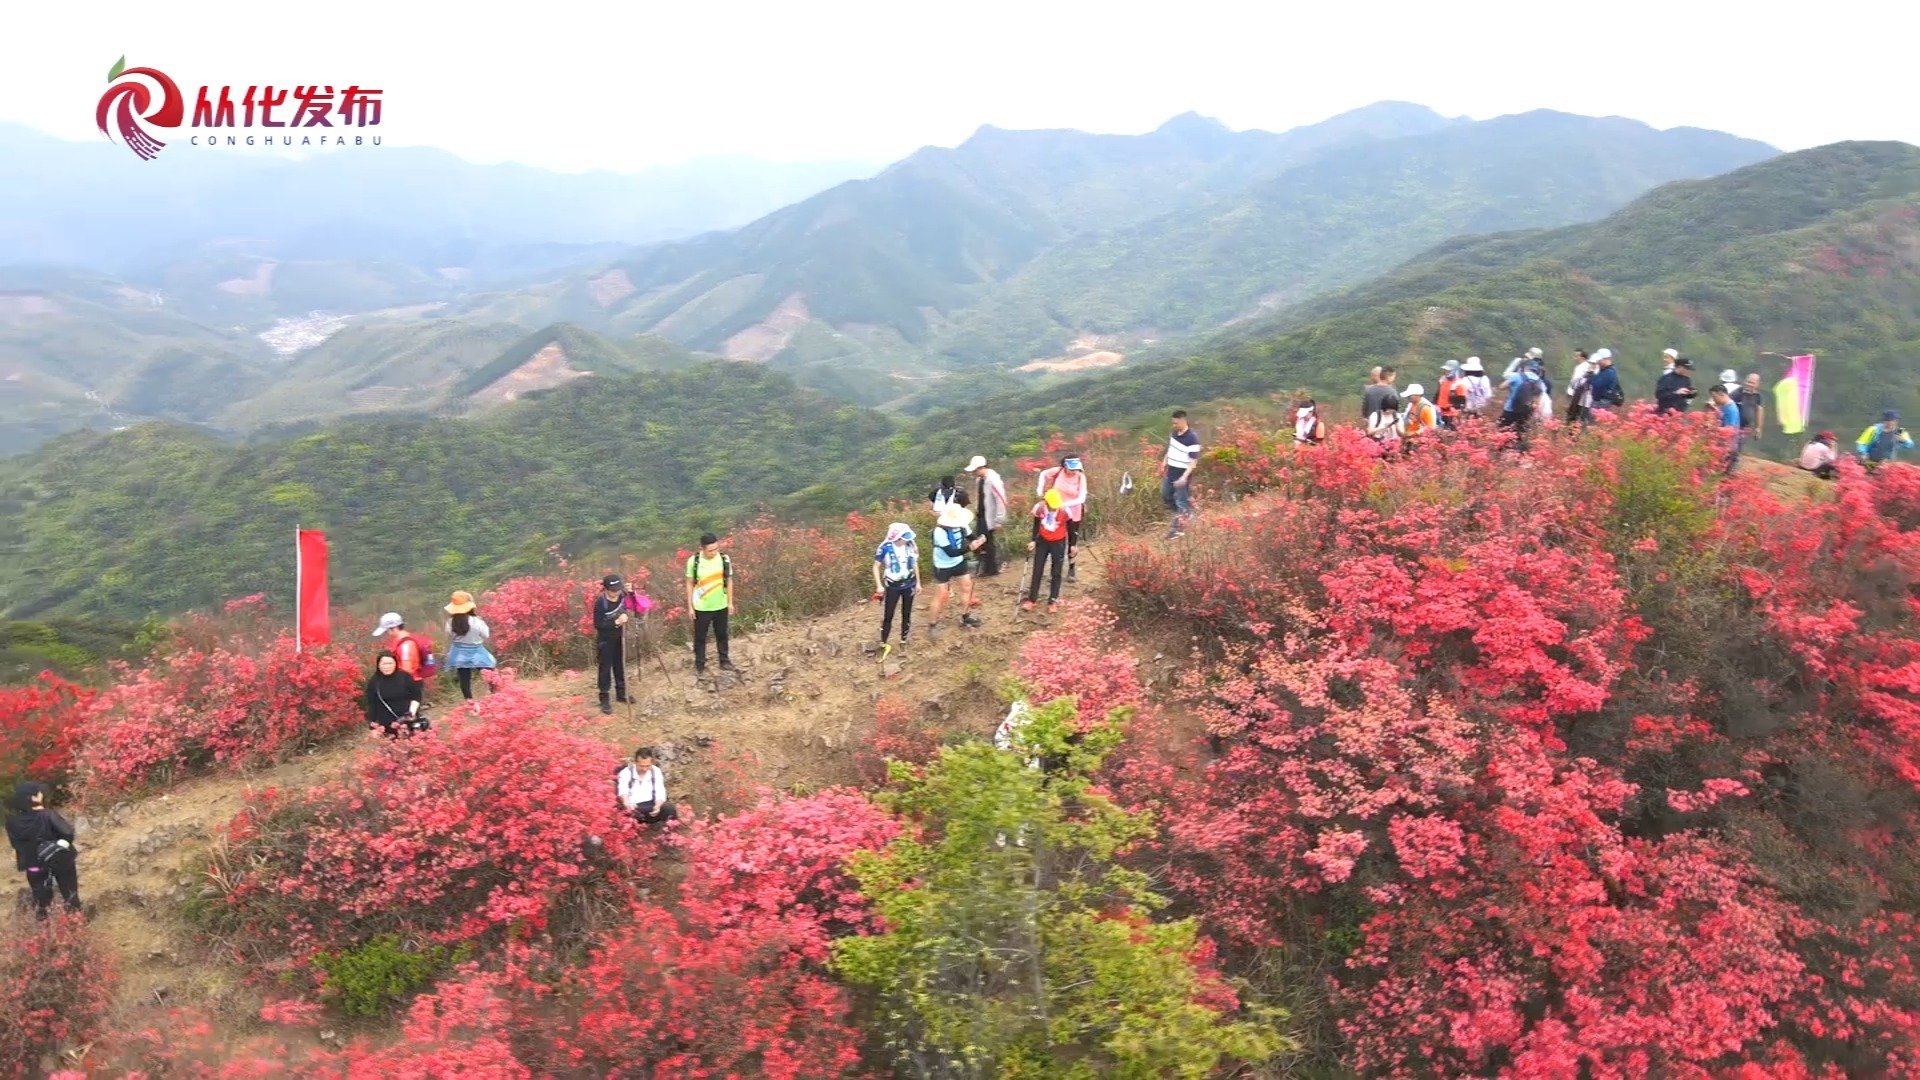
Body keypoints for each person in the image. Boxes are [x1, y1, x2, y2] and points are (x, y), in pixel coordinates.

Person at [7, 781, 79, 920]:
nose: (41, 794)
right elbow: (67, 833)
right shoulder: (48, 815)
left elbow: (15, 844)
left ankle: (43, 931)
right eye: (38, 792)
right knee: (69, 894)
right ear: (33, 797)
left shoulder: (12, 822)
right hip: (59, 861)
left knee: (41, 901)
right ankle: (75, 925)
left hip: (32, 864)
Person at [926, 492, 985, 640]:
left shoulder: (961, 524)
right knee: (941, 595)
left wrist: (979, 541)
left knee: (967, 587)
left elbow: (970, 536)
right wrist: (970, 548)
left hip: (958, 562)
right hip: (943, 565)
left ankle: (966, 615)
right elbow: (951, 552)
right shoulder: (939, 532)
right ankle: (932, 624)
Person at [686, 534, 737, 677]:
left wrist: (730, 602)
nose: (714, 552)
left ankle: (724, 660)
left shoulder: (724, 559)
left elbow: (729, 580)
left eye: (716, 549)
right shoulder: (694, 561)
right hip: (701, 606)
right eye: (710, 550)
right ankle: (700, 663)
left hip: (721, 604)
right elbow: (689, 583)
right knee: (700, 637)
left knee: (722, 634)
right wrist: (690, 606)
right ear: (702, 548)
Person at [1035, 455, 1089, 583]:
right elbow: (1043, 474)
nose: (1074, 471)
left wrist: (1064, 505)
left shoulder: (1081, 477)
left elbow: (1081, 498)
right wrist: (1040, 489)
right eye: (1071, 469)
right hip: (1054, 512)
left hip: (1073, 513)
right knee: (1054, 540)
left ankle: (1071, 568)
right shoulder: (1058, 471)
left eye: (1076, 469)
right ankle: (1054, 570)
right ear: (1065, 466)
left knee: (1072, 543)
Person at [871, 521, 920, 651]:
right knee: (888, 614)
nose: (906, 540)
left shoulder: (910, 546)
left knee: (907, 613)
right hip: (892, 585)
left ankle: (903, 639)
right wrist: (879, 585)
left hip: (909, 583)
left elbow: (914, 563)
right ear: (897, 537)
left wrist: (918, 582)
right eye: (904, 537)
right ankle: (883, 641)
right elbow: (876, 566)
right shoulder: (885, 548)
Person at [443, 591, 495, 702]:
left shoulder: (450, 623)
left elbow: (449, 637)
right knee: (489, 671)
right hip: (476, 651)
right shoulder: (476, 621)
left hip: (458, 652)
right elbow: (486, 635)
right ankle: (495, 696)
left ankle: (470, 702)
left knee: (464, 678)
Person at [1024, 488, 1070, 613]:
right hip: (1043, 541)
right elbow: (1036, 525)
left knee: (1056, 571)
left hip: (1058, 542)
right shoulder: (1039, 508)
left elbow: (1071, 528)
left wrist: (1073, 545)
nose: (1054, 508)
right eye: (1052, 506)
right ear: (1047, 502)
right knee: (1037, 569)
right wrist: (1033, 540)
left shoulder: (1064, 511)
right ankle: (1032, 599)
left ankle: (1053, 600)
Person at [591, 574, 632, 714]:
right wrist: (616, 622)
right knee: (605, 669)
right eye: (613, 590)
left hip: (620, 638)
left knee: (620, 666)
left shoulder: (622, 596)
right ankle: (604, 699)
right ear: (606, 589)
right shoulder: (601, 603)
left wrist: (632, 592)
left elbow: (635, 604)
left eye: (618, 589)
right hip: (605, 640)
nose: (616, 592)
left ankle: (621, 694)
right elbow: (598, 624)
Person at [966, 456, 1009, 577]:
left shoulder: (993, 480)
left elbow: (1001, 500)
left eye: (976, 470)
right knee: (981, 541)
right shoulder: (980, 480)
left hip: (990, 517)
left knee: (989, 542)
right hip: (981, 515)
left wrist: (999, 519)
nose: (975, 473)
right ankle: (985, 566)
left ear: (982, 468)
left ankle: (992, 568)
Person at [1161, 409, 1202, 540]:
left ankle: (1177, 529)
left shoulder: (1192, 438)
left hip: (1182, 473)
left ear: (1183, 421)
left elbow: (1194, 461)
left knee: (1181, 501)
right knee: (1166, 495)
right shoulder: (1174, 433)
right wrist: (1164, 461)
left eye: (1176, 423)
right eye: (1173, 423)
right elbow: (1171, 448)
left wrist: (1184, 477)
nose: (1174, 426)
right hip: (1171, 470)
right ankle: (1186, 514)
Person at [616, 747, 678, 827]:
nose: (645, 769)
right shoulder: (626, 772)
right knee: (628, 815)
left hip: (651, 805)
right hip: (634, 806)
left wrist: (658, 805)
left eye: (647, 766)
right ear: (635, 763)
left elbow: (660, 791)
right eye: (641, 766)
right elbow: (623, 790)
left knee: (669, 809)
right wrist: (627, 803)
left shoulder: (655, 771)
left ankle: (669, 835)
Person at [365, 652, 423, 737]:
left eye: (390, 663)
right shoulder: (374, 682)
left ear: (395, 664)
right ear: (379, 665)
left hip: (408, 721)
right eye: (384, 664)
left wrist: (411, 713)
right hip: (388, 725)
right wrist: (373, 727)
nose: (387, 667)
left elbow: (416, 695)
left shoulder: (405, 676)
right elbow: (372, 705)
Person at [372, 613, 435, 690]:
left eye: (387, 630)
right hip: (404, 681)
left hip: (408, 683)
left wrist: (398, 685)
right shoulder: (400, 640)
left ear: (394, 628)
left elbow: (407, 669)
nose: (387, 633)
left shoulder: (406, 645)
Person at [1499, 358, 1546, 444]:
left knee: (1504, 430)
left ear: (1526, 367)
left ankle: (1502, 450)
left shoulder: (1517, 376)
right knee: (1520, 432)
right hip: (1526, 411)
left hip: (1510, 409)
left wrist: (1512, 388)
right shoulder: (1539, 381)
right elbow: (1537, 400)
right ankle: (1518, 451)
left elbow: (1501, 387)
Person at [1711, 385, 1743, 473]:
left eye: (1714, 397)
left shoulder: (1731, 409)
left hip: (1728, 447)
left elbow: (1730, 430)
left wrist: (1712, 428)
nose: (1714, 400)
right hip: (1722, 445)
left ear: (1721, 394)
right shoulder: (1724, 406)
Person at [1400, 384, 1437, 451]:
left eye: (1410, 396)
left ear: (1417, 395)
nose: (1408, 397)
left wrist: (1415, 433)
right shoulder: (1411, 404)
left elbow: (1430, 427)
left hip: (1419, 442)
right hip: (1410, 439)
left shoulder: (1425, 408)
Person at [1734, 372, 1766, 447]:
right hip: (1734, 425)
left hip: (1745, 428)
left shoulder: (1757, 396)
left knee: (1739, 446)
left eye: (1752, 383)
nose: (1749, 384)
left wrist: (1758, 428)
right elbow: (1727, 402)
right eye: (1748, 382)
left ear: (1757, 384)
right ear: (1745, 381)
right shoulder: (1738, 392)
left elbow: (1759, 411)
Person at [1434, 361, 1469, 428]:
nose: (1446, 372)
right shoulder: (1442, 381)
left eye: (1449, 371)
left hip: (1451, 416)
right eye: (1445, 370)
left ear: (1455, 371)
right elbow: (1437, 396)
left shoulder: (1459, 384)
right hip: (1439, 414)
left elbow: (1461, 404)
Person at [1565, 350, 1596, 423]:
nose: (1575, 358)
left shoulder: (1586, 367)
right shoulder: (1578, 367)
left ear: (1583, 357)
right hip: (1577, 394)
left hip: (1582, 396)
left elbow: (1578, 381)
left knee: (1580, 415)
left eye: (1577, 356)